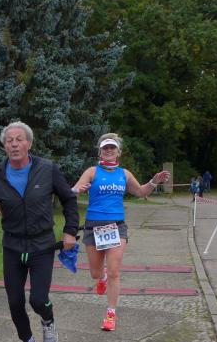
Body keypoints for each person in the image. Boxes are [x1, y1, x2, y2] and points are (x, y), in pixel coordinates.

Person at [0, 121, 79, 342]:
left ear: (29, 144)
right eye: (9, 140)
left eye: (19, 139)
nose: (14, 144)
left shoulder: (47, 169)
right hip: (12, 245)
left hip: (41, 245)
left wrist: (70, 231)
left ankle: (48, 320)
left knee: (38, 299)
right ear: (4, 146)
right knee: (14, 301)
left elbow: (69, 200)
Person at [71, 133, 170, 331]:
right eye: (105, 148)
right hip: (93, 226)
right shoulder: (92, 171)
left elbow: (140, 192)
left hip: (116, 226)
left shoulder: (124, 174)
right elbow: (73, 190)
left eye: (112, 148)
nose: (109, 151)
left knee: (114, 271)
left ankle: (111, 314)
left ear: (118, 152)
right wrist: (78, 191)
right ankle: (102, 278)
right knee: (95, 273)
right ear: (100, 152)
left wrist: (154, 181)